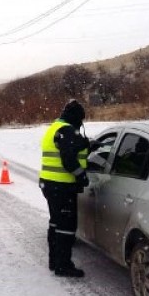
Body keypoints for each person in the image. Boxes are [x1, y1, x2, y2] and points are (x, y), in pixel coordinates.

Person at [39, 99, 90, 277]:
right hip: (61, 186)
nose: (82, 123)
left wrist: (85, 144)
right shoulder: (66, 130)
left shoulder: (55, 128)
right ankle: (63, 265)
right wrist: (81, 175)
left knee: (55, 223)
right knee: (66, 226)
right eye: (81, 119)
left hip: (49, 183)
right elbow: (68, 159)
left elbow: (69, 147)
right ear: (76, 117)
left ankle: (55, 261)